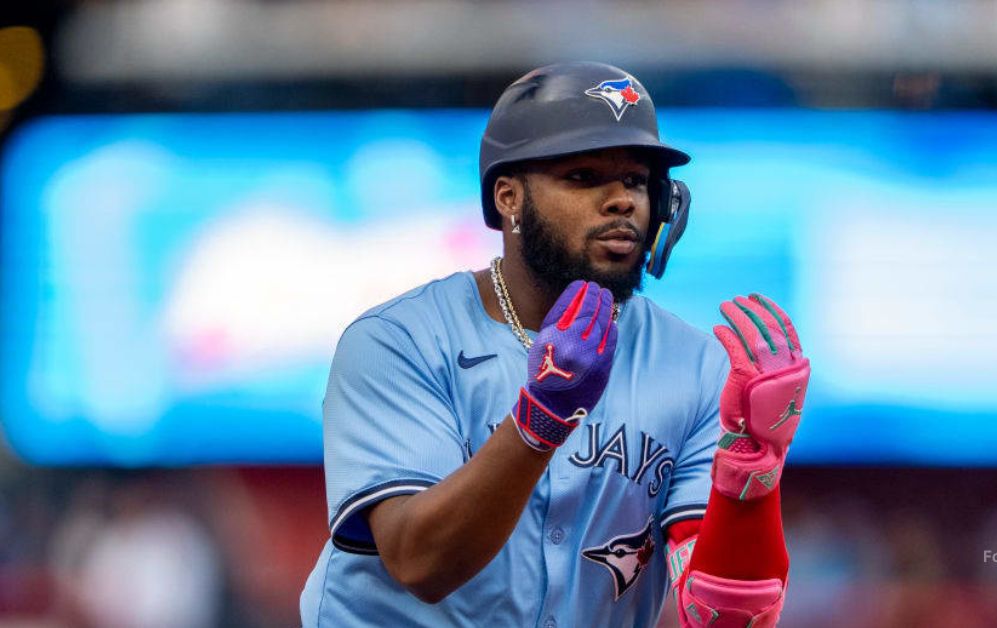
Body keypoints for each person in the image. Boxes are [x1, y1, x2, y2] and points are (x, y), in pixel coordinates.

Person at [299, 61, 811, 627]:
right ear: (508, 198)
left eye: (637, 181)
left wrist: (751, 476)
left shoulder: (694, 367)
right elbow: (420, 562)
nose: (622, 200)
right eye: (584, 176)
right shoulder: (399, 341)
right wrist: (537, 422)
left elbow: (724, 618)